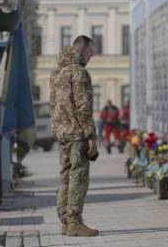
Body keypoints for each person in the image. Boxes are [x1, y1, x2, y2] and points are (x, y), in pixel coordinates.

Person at [50, 35, 98, 237]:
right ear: (80, 49)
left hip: (62, 133)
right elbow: (83, 107)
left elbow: (53, 105)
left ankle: (65, 221)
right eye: (89, 53)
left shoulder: (56, 73)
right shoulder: (79, 73)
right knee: (78, 178)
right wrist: (92, 138)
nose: (90, 57)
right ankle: (75, 222)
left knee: (65, 177)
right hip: (77, 133)